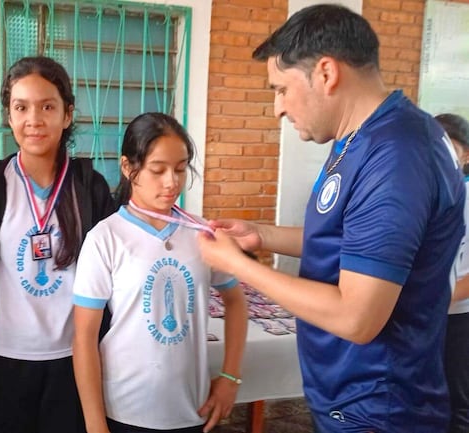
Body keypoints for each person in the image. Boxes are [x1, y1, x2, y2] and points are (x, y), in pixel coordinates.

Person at [195, 5, 464, 432]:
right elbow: (352, 242)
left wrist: (238, 267)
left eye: (281, 89)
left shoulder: (396, 155)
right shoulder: (356, 142)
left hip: (379, 409)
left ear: (325, 72)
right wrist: (260, 235)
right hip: (348, 399)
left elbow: (356, 319)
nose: (277, 108)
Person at [0, 56, 116, 433]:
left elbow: (115, 276)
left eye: (47, 106)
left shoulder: (90, 188)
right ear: (8, 115)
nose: (33, 119)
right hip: (1, 363)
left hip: (74, 361)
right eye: (21, 107)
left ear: (67, 114)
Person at [72, 112, 248, 433]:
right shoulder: (105, 238)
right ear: (128, 168)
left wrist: (230, 377)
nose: (172, 182)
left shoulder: (202, 234)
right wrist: (95, 423)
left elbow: (236, 301)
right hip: (124, 412)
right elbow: (83, 337)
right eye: (158, 170)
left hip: (191, 410)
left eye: (180, 169)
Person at [437, 113, 469, 433]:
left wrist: (430, 303)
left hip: (459, 316)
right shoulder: (435, 194)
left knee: (457, 397)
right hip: (431, 314)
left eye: (450, 145)